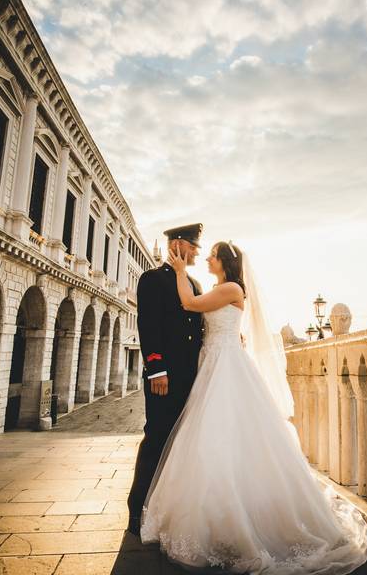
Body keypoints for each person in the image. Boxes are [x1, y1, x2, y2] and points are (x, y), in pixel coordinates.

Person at [140, 240, 367, 574]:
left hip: (225, 367)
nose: (207, 258)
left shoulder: (232, 287)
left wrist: (178, 270)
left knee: (224, 433)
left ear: (225, 262)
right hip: (213, 363)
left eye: (213, 255)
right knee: (211, 438)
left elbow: (189, 303)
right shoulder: (221, 287)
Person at [126, 223, 206, 537]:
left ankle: (168, 510)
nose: (198, 252)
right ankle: (137, 509)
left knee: (182, 444)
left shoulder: (195, 284)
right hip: (165, 377)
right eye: (194, 246)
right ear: (177, 244)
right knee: (157, 438)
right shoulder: (152, 279)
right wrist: (156, 368)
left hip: (191, 377)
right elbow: (148, 325)